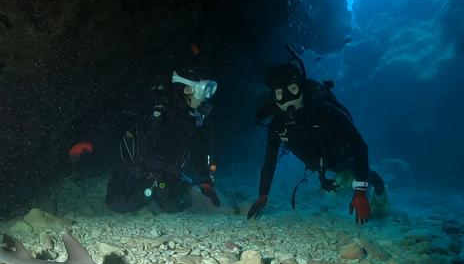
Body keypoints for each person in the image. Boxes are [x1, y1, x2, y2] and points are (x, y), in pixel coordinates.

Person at [247, 48, 385, 224]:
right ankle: (346, 181)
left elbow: (359, 146)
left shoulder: (324, 110)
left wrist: (360, 192)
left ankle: (380, 190)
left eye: (293, 90)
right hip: (315, 162)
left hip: (338, 154)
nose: (289, 100)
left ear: (302, 89)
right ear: (274, 99)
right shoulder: (277, 125)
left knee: (351, 169)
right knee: (336, 182)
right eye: (281, 95)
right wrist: (263, 195)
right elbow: (270, 161)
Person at [105, 69, 221, 213]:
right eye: (202, 90)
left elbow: (200, 148)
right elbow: (122, 131)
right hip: (138, 169)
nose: (205, 97)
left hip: (167, 174)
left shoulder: (197, 119)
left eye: (209, 91)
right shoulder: (156, 107)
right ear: (185, 88)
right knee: (118, 204)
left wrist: (204, 178)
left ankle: (166, 191)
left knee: (175, 206)